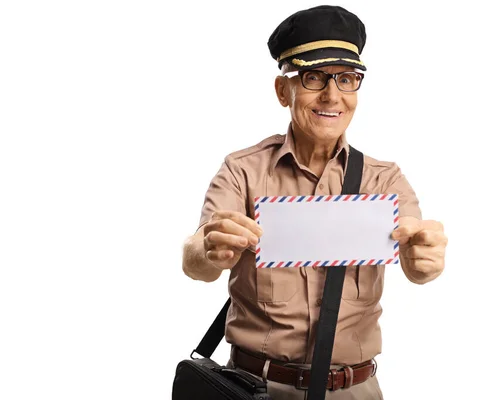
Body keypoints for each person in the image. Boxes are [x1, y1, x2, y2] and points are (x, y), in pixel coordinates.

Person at [182, 5, 448, 399]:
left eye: (346, 79)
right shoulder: (242, 170)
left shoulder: (384, 179)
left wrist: (424, 260)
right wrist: (207, 249)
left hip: (354, 390)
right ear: (282, 90)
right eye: (313, 77)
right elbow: (195, 262)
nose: (332, 96)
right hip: (256, 388)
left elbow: (419, 263)